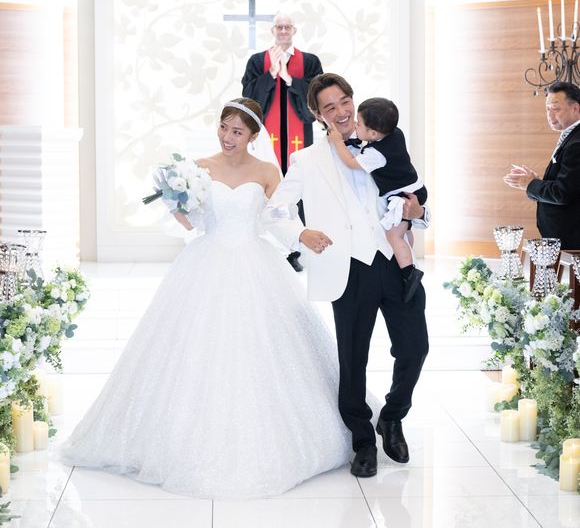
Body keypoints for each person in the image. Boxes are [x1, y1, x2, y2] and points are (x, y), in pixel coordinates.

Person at [61, 98, 351, 499]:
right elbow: (193, 222)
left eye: (237, 131)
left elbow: (276, 219)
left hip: (254, 263)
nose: (227, 137)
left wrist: (303, 235)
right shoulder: (198, 168)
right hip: (206, 260)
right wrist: (174, 202)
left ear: (253, 136)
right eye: (223, 127)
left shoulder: (267, 171)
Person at [262, 74, 430, 479]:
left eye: (344, 101)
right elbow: (275, 210)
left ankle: (392, 416)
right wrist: (301, 234)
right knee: (353, 359)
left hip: (396, 262)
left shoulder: (386, 138)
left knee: (415, 348)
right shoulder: (307, 160)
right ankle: (362, 440)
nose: (341, 111)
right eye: (330, 107)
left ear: (354, 100)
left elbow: (416, 193)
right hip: (348, 268)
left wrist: (419, 213)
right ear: (318, 115)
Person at [242, 12, 323, 272]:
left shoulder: (310, 62)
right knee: (268, 189)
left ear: (294, 30)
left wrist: (289, 79)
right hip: (267, 142)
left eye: (288, 26)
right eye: (279, 27)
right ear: (273, 31)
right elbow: (249, 99)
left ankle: (295, 250)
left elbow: (317, 100)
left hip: (300, 140)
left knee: (297, 190)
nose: (284, 31)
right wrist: (271, 75)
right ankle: (268, 247)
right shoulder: (257, 61)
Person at [327, 97, 428, 302]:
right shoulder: (395, 133)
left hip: (403, 197)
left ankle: (409, 273)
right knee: (403, 233)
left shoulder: (375, 154)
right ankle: (408, 256)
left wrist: (338, 142)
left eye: (359, 124)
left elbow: (351, 162)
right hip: (415, 188)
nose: (355, 124)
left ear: (373, 134)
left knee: (394, 236)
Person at [503, 81, 580, 249]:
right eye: (547, 109)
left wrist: (531, 184)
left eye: (556, 109)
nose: (550, 115)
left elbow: (563, 193)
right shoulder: (570, 136)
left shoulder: (576, 143)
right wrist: (535, 181)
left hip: (572, 240)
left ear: (575, 109)